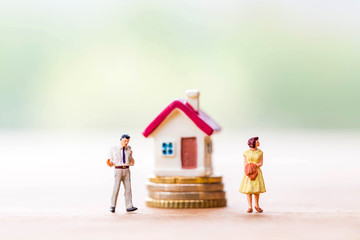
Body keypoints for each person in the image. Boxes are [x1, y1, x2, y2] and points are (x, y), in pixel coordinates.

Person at [107, 134, 138, 213]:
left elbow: (131, 162)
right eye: (125, 141)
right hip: (118, 170)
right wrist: (110, 162)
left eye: (127, 141)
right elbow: (110, 161)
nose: (126, 143)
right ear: (121, 140)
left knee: (128, 189)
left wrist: (131, 154)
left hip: (127, 170)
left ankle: (129, 206)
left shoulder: (129, 149)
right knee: (116, 188)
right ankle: (112, 205)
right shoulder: (113, 149)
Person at [239, 137, 266, 213]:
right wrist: (250, 167)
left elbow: (261, 163)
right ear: (253, 143)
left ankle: (257, 205)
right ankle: (250, 206)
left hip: (256, 172)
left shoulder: (260, 152)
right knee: (249, 190)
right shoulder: (246, 153)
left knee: (256, 190)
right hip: (249, 171)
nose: (258, 143)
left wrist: (254, 166)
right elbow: (245, 163)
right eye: (257, 142)